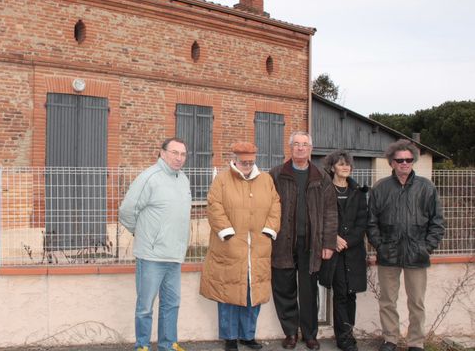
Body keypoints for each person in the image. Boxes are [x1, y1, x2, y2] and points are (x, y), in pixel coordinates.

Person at [200, 142, 281, 351]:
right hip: (229, 247)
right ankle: (229, 337)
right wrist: (226, 232)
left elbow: (275, 205)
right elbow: (214, 206)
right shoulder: (222, 180)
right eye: (243, 162)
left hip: (258, 248)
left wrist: (269, 230)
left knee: (252, 294)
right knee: (228, 294)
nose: (246, 165)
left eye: (250, 162)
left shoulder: (266, 180)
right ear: (235, 159)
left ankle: (247, 335)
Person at [367, 140, 444, 351]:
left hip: (417, 255)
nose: (404, 163)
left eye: (408, 159)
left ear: (413, 161)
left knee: (416, 303)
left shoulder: (426, 187)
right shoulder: (380, 188)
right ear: (392, 162)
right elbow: (371, 222)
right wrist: (380, 246)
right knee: (387, 301)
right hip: (388, 254)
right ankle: (390, 339)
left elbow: (437, 222)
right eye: (399, 160)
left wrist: (426, 247)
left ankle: (416, 343)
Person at [119, 137, 193, 351]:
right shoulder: (149, 178)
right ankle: (142, 345)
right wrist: (142, 234)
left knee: (172, 304)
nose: (179, 158)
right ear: (162, 153)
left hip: (175, 255)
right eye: (174, 153)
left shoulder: (184, 179)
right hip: (151, 256)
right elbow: (126, 211)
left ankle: (168, 344)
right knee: (145, 306)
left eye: (183, 154)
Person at [269, 131, 338, 350]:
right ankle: (290, 333)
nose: (300, 148)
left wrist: (328, 243)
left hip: (311, 245)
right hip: (282, 244)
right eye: (296, 144)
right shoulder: (276, 174)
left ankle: (310, 334)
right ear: (290, 148)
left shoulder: (321, 176)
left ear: (310, 148)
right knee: (284, 289)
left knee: (308, 292)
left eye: (304, 144)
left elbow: (330, 211)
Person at [319, 150, 369, 351]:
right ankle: (343, 338)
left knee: (351, 293)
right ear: (333, 168)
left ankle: (348, 332)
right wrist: (334, 239)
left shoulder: (358, 192)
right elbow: (321, 218)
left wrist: (347, 241)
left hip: (354, 251)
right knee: (340, 293)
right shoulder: (325, 190)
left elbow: (362, 222)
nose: (345, 167)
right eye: (340, 164)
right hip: (334, 252)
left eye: (347, 164)